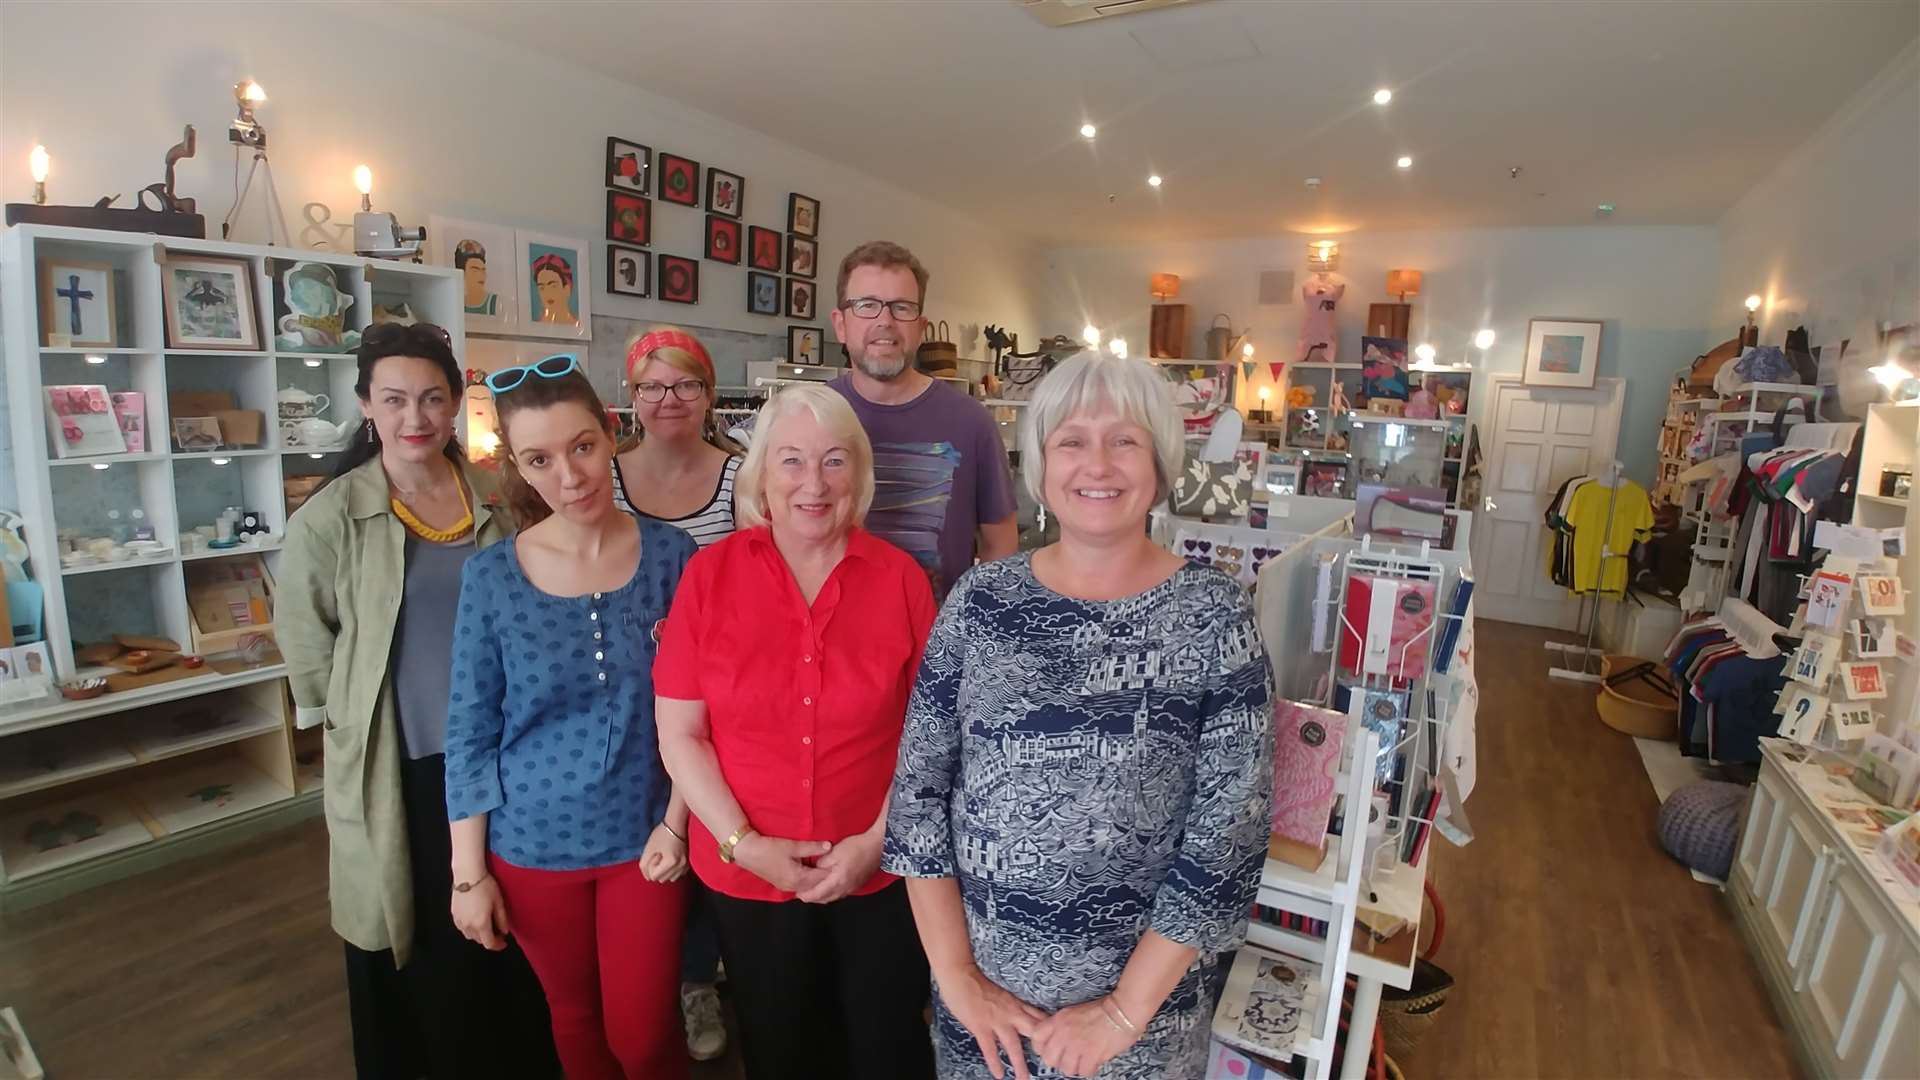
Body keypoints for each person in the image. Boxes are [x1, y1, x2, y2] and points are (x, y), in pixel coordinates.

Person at [883, 351, 1275, 1080]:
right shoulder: (979, 603)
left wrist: (1123, 1013)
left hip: (1141, 1035)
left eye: (1124, 439)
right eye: (1071, 440)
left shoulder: (1214, 617)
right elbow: (917, 803)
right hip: (985, 1022)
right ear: (1039, 467)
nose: (1098, 463)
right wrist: (958, 977)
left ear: (1159, 465)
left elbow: (1229, 839)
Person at [279, 322, 559, 1080]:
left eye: (434, 399)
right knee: (416, 933)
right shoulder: (331, 517)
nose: (417, 418)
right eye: (396, 399)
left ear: (455, 405)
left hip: (499, 760)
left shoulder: (497, 498)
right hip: (398, 767)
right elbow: (309, 647)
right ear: (366, 405)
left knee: (506, 930)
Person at [655, 384, 937, 1080]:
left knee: (885, 1048)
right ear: (760, 478)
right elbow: (681, 733)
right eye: (791, 462)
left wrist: (876, 841)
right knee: (781, 1051)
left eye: (834, 462)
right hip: (748, 879)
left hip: (880, 876)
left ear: (859, 478)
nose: (813, 484)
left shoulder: (902, 581)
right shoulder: (708, 577)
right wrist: (743, 846)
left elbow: (930, 736)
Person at [444, 355, 698, 1080]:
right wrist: (469, 877)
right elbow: (468, 730)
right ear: (517, 468)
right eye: (540, 459)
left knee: (646, 1039)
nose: (569, 476)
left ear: (611, 434)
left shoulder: (673, 558)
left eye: (581, 447)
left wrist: (678, 822)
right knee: (577, 1024)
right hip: (529, 849)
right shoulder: (491, 577)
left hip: (645, 839)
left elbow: (701, 709)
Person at [610, 326, 741, 1060]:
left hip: (719, 695)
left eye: (686, 384)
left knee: (709, 830)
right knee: (647, 836)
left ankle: (700, 979)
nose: (669, 400)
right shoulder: (607, 473)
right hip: (630, 692)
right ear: (630, 398)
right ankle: (652, 977)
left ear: (709, 394)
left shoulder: (740, 477)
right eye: (652, 387)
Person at [828, 240, 1018, 599]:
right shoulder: (809, 416)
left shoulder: (970, 422)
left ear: (921, 326)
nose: (885, 321)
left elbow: (1000, 548)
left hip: (938, 646)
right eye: (867, 305)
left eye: (901, 308)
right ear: (840, 324)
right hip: (829, 646)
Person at [531, 253, 575, 325]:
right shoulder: (536, 328)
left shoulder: (578, 327)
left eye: (553, 286)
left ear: (567, 289)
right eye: (542, 288)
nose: (547, 293)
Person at [455, 239, 495, 315]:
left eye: (483, 270)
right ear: (462, 272)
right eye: (475, 270)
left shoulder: (495, 303)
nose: (481, 275)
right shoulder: (454, 303)